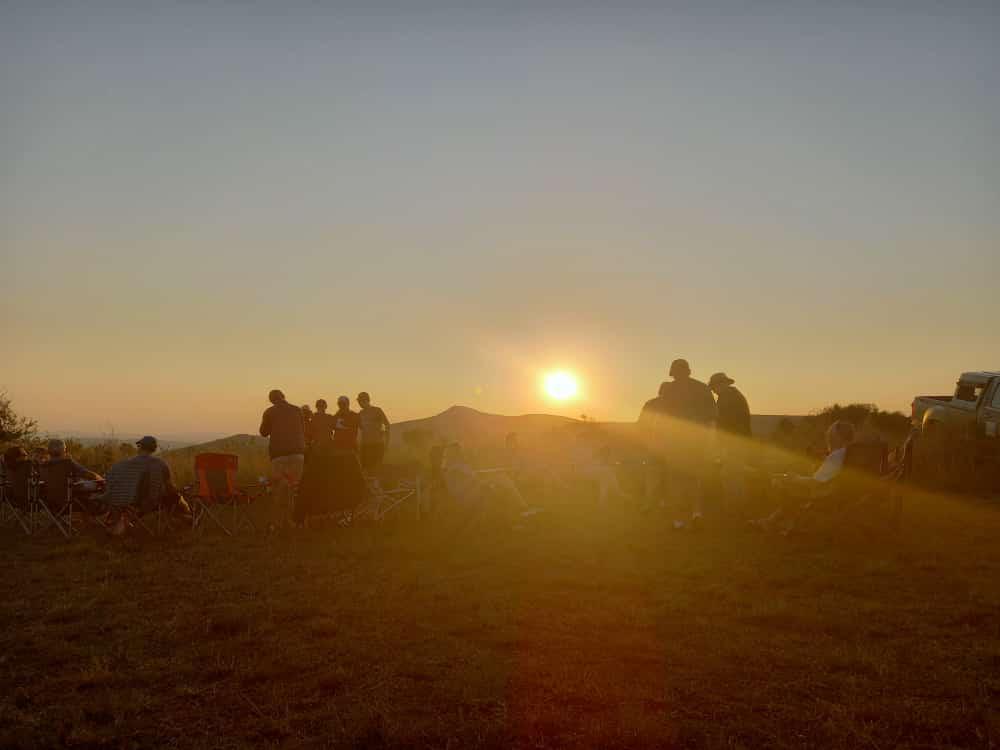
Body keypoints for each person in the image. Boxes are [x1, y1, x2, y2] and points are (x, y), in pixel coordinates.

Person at [640, 358, 716, 525]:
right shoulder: (702, 388)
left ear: (673, 373)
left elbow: (663, 418)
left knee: (676, 479)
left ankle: (679, 519)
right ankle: (696, 513)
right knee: (694, 478)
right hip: (696, 441)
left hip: (674, 441)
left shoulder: (669, 391)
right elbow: (712, 417)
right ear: (688, 370)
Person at [751, 420, 856, 534]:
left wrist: (796, 478)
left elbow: (815, 482)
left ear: (837, 437)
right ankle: (772, 522)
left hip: (824, 492)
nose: (827, 438)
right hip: (830, 489)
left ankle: (780, 523)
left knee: (783, 485)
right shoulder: (845, 453)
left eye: (830, 435)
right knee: (787, 480)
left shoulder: (835, 456)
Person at [101, 436, 190, 535]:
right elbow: (169, 486)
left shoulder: (126, 463)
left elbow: (112, 480)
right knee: (175, 496)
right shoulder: (160, 463)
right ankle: (188, 516)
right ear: (154, 448)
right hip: (151, 502)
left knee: (172, 496)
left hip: (130, 501)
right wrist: (178, 493)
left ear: (140, 447)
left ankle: (122, 523)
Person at [259, 389, 306, 530]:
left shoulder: (270, 412)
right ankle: (295, 522)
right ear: (284, 397)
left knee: (279, 489)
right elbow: (302, 430)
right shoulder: (297, 410)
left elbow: (263, 432)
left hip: (279, 455)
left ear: (271, 400)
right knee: (294, 489)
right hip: (298, 454)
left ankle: (278, 524)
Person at [708, 372, 752, 506]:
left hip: (732, 442)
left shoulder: (726, 398)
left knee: (730, 474)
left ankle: (734, 504)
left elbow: (723, 422)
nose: (714, 391)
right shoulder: (735, 396)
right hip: (740, 441)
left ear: (721, 384)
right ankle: (738, 503)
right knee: (735, 473)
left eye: (714, 387)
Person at [39, 439, 102, 514]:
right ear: (63, 451)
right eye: (65, 449)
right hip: (70, 503)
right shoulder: (68, 463)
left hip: (50, 504)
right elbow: (88, 474)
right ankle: (99, 508)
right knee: (99, 485)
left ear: (48, 452)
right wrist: (100, 480)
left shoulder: (43, 466)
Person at [357, 392, 390, 476]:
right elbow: (359, 429)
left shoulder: (377, 410)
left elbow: (387, 424)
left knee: (376, 468)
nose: (359, 403)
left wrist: (387, 441)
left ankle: (378, 487)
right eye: (359, 401)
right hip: (365, 445)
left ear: (366, 400)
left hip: (377, 444)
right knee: (365, 469)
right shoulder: (360, 414)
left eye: (361, 401)